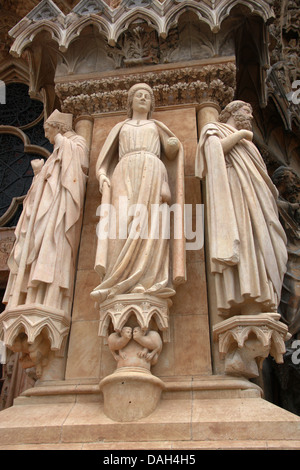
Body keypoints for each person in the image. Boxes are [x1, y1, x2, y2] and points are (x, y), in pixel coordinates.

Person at [91, 83, 185, 302]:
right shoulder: (121, 127)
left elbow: (172, 152)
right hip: (124, 172)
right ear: (130, 101)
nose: (143, 99)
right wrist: (102, 174)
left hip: (152, 171)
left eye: (147, 96)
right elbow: (104, 160)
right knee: (121, 224)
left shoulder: (156, 126)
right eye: (138, 95)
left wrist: (172, 145)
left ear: (151, 104)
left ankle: (147, 282)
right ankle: (116, 279)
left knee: (150, 225)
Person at [196, 100, 287, 317]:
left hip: (256, 198)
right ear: (232, 112)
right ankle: (245, 297)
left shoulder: (250, 143)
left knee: (261, 240)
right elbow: (212, 154)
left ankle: (263, 294)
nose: (251, 116)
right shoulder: (213, 129)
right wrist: (240, 136)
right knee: (244, 238)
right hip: (234, 190)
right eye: (247, 110)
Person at [3, 110, 88, 315]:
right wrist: (39, 173)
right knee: (38, 245)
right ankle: (30, 295)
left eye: (48, 130)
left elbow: (78, 168)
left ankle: (47, 296)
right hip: (45, 211)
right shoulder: (56, 152)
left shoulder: (74, 143)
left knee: (52, 242)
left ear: (58, 127)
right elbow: (46, 186)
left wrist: (60, 140)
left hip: (58, 211)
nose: (47, 136)